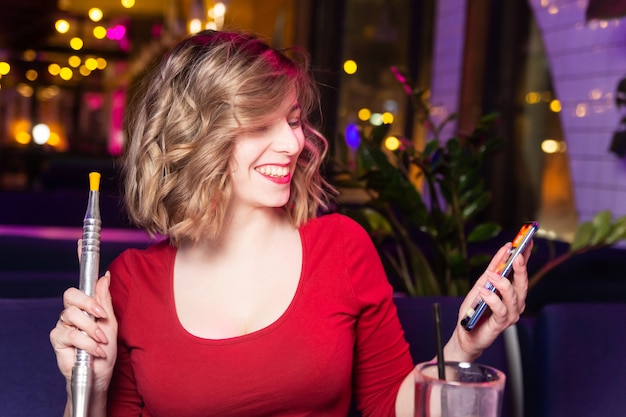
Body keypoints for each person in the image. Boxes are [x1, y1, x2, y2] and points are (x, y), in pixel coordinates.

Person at [50, 30, 532, 417]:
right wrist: (87, 392)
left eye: (294, 120)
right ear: (195, 138)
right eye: (261, 124)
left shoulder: (341, 247)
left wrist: (463, 345)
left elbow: (390, 405)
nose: (293, 143)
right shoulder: (133, 283)